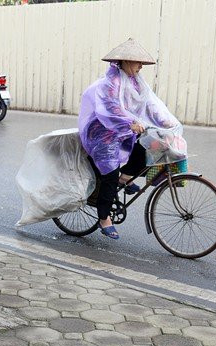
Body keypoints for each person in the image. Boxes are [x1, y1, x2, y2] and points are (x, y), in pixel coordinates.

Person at [77, 38, 182, 240]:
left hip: (122, 129)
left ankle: (124, 178)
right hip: (101, 133)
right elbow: (109, 109)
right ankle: (104, 218)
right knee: (109, 172)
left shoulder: (135, 81)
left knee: (147, 148)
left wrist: (167, 123)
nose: (141, 66)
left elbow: (151, 104)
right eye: (137, 62)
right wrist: (129, 124)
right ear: (125, 61)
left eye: (142, 63)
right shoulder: (111, 83)